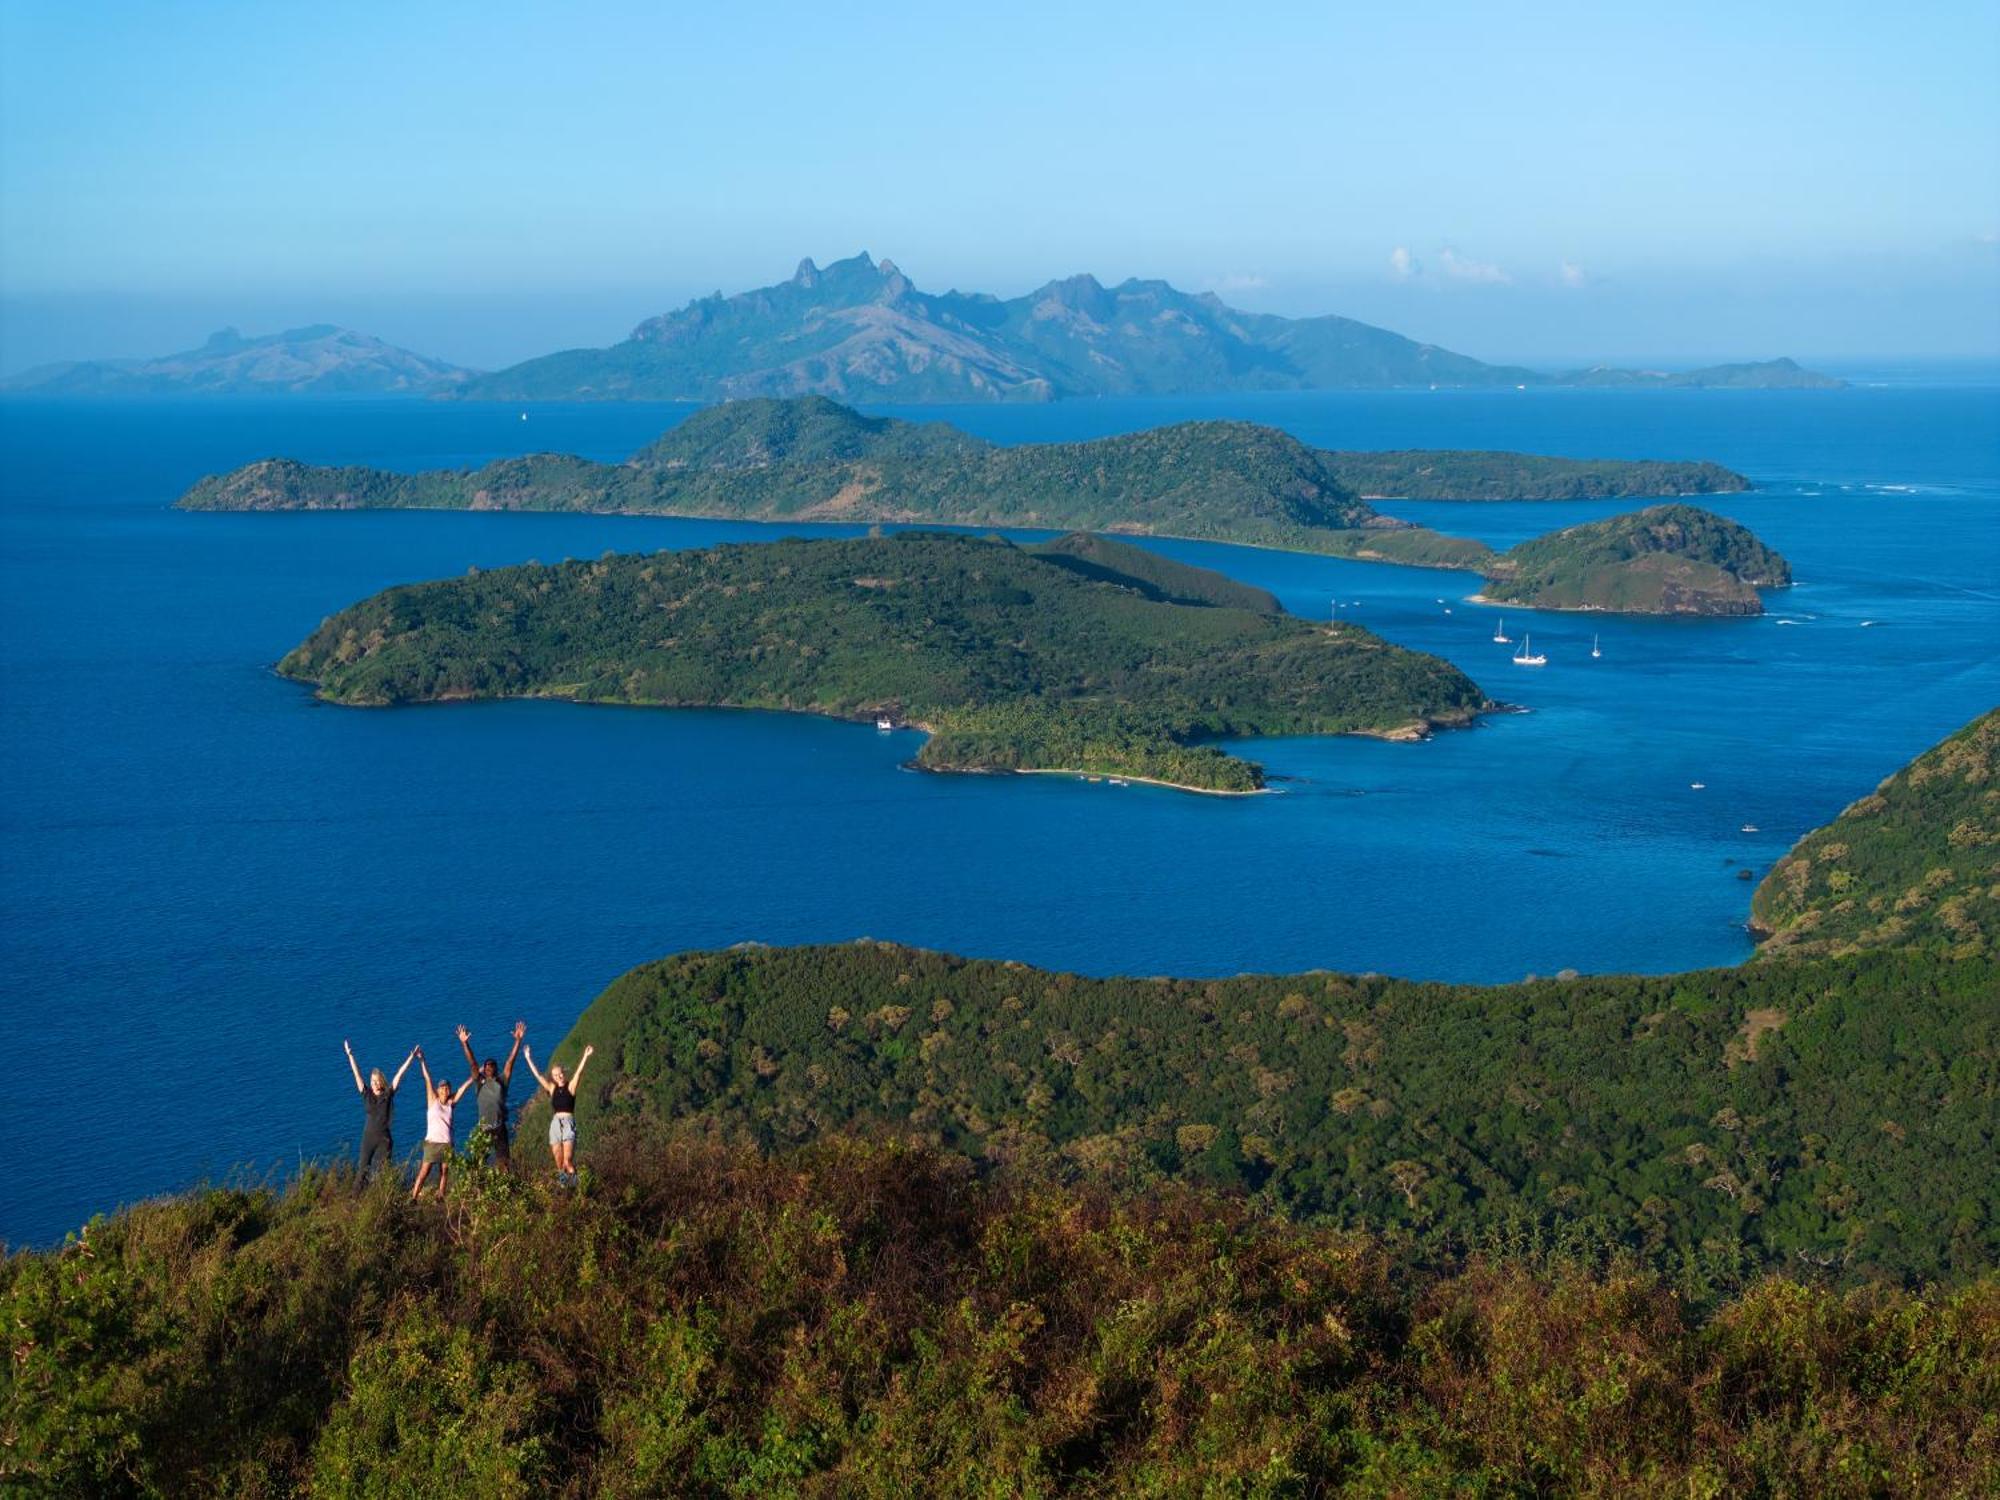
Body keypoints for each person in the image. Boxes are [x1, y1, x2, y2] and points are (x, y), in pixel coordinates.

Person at [521, 1041, 596, 1186]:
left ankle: (576, 1187)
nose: (559, 1076)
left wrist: (585, 1056)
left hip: (568, 1123)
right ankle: (564, 1188)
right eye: (556, 1075)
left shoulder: (571, 1087)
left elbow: (578, 1073)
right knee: (559, 1164)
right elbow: (538, 1076)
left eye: (560, 1073)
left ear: (564, 1073)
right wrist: (528, 1058)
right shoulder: (552, 1088)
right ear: (553, 1077)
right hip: (555, 1124)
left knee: (568, 1161)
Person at [343, 1040, 417, 1182]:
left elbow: (399, 1076)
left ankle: (382, 1199)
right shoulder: (366, 1094)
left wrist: (410, 1058)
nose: (375, 1084)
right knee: (362, 1171)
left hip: (384, 1139)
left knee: (384, 1172)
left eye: (377, 1081)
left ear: (382, 1082)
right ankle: (356, 1199)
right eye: (372, 1081)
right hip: (368, 1138)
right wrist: (350, 1055)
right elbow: (356, 1074)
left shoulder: (388, 1094)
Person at [409, 1046, 474, 1202]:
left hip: (447, 1144)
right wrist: (422, 1060)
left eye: (447, 1087)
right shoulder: (432, 1100)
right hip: (432, 1143)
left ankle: (440, 1197)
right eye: (442, 1087)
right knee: (424, 1172)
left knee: (444, 1171)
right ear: (438, 1090)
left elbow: (462, 1089)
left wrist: (473, 1078)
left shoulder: (451, 1103)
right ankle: (413, 1198)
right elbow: (428, 1078)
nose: (445, 1089)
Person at [457, 1020, 525, 1169]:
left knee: (504, 1163)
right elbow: (472, 1063)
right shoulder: (479, 1081)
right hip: (484, 1129)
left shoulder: (502, 1081)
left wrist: (518, 1041)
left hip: (500, 1127)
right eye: (486, 1065)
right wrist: (465, 1043)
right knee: (479, 1164)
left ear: (495, 1068)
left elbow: (510, 1062)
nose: (488, 1067)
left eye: (492, 1065)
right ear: (483, 1069)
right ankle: (479, 1190)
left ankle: (506, 1188)